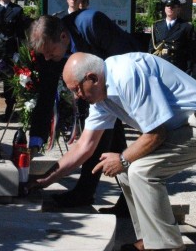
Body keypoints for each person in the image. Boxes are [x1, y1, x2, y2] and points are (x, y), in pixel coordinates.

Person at [30, 52, 196, 251]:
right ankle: (150, 240)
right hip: (183, 126)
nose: (76, 96)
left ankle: (167, 246)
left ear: (92, 78)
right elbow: (84, 146)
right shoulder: (101, 96)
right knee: (128, 170)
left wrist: (123, 158)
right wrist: (45, 180)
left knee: (141, 170)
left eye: (77, 89)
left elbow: (155, 134)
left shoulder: (126, 75)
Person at [27, 13, 141, 210]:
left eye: (50, 52)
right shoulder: (48, 49)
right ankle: (106, 195)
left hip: (118, 84)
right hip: (93, 92)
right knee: (104, 139)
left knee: (107, 140)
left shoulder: (91, 25)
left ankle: (111, 196)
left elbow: (127, 59)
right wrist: (35, 142)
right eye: (43, 54)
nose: (47, 58)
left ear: (63, 37)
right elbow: (46, 94)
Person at [0, 0, 27, 120]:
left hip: (10, 51)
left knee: (9, 84)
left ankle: (9, 107)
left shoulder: (17, 10)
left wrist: (19, 53)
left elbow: (20, 33)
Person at [149, 0, 195, 74]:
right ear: (164, 8)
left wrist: (189, 70)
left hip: (177, 68)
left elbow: (190, 51)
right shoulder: (156, 25)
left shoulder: (186, 27)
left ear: (178, 9)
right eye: (167, 6)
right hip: (159, 67)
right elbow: (151, 49)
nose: (170, 8)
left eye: (173, 6)